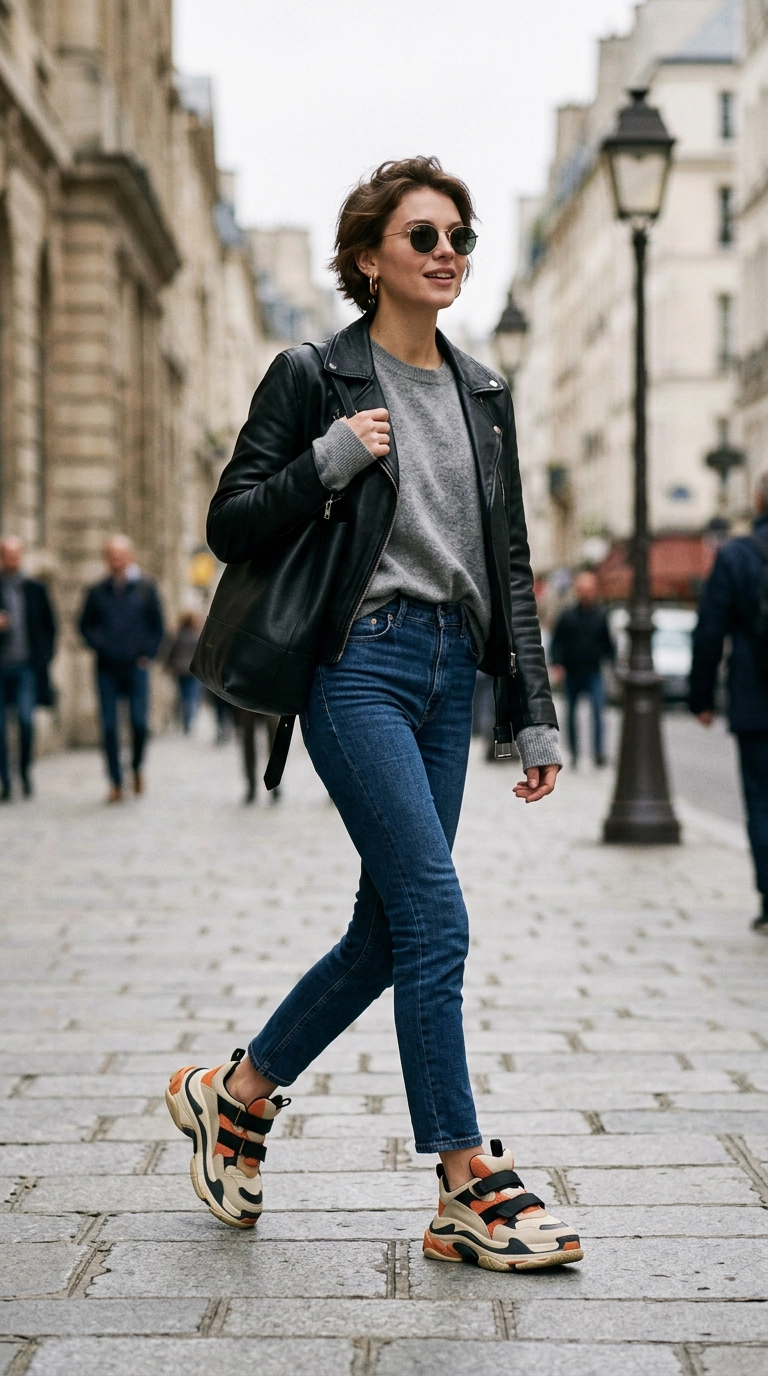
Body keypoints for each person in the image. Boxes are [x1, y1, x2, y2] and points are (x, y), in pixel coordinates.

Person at [166, 157, 582, 1270]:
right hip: (360, 667)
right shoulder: (316, 373)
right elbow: (232, 520)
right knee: (437, 916)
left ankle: (238, 1093)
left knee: (390, 927)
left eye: (460, 236)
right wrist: (330, 458)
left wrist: (532, 712)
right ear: (368, 258)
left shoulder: (483, 390)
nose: (448, 251)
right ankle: (463, 1177)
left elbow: (509, 562)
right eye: (423, 235)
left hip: (455, 672)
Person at [690, 473, 768, 931]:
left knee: (760, 800)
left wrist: (702, 698)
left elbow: (709, 633)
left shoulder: (736, 556)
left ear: (757, 499)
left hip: (754, 699)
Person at [79, 535, 164, 803]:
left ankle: (136, 767)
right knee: (109, 727)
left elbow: (158, 627)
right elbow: (83, 625)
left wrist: (146, 654)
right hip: (107, 668)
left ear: (129, 556)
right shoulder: (97, 591)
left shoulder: (146, 588)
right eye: (110, 555)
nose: (115, 559)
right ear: (107, 558)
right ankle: (116, 781)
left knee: (139, 724)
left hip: (136, 667)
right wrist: (98, 645)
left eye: (119, 554)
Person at [0, 537, 56, 800]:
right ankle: (5, 781)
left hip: (26, 668)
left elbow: (49, 628)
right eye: (5, 555)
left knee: (25, 721)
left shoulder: (35, 589)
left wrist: (42, 661)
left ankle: (23, 771)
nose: (10, 560)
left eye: (14, 555)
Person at [549, 571, 614, 768]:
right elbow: (557, 643)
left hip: (593, 671)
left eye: (589, 590)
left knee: (597, 710)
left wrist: (611, 663)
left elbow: (608, 644)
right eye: (583, 590)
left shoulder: (601, 616)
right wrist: (557, 664)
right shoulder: (567, 616)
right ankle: (575, 753)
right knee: (571, 714)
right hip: (573, 672)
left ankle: (598, 752)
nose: (586, 594)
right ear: (577, 591)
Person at [164, 611, 203, 734]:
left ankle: (184, 717)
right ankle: (188, 719)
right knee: (192, 696)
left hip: (179, 669)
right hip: (192, 671)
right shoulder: (196, 636)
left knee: (183, 695)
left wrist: (168, 665)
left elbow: (170, 652)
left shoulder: (177, 635)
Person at [231, 707, 280, 804]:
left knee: (274, 743)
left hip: (271, 698)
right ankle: (251, 785)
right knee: (248, 741)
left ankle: (274, 784)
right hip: (248, 699)